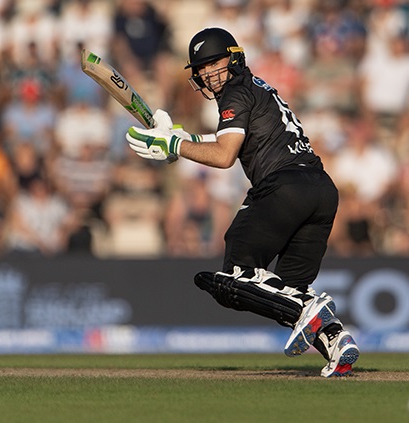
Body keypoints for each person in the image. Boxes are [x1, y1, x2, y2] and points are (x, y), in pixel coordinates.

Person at [125, 27, 359, 377]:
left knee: (237, 273)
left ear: (234, 58)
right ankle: (337, 343)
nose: (207, 73)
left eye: (214, 63)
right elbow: (229, 139)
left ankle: (311, 308)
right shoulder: (255, 88)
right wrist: (178, 136)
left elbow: (223, 156)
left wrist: (173, 147)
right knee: (286, 295)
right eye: (201, 69)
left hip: (284, 187)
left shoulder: (235, 91)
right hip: (320, 190)